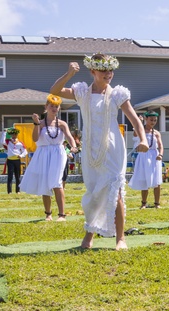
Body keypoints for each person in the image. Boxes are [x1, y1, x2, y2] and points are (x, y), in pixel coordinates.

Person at [50, 53, 144, 249]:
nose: (108, 74)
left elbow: (134, 119)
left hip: (113, 147)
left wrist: (143, 139)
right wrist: (68, 74)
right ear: (93, 71)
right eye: (103, 70)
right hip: (90, 149)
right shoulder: (82, 92)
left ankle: (120, 239)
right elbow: (55, 91)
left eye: (110, 70)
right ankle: (89, 235)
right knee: (94, 192)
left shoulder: (118, 94)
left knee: (114, 190)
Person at [21, 94, 79, 221]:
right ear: (46, 107)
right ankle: (48, 214)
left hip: (58, 153)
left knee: (57, 183)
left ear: (59, 108)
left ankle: (62, 215)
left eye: (56, 106)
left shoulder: (62, 124)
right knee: (45, 184)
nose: (54, 108)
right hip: (43, 154)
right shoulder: (40, 124)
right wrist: (36, 124)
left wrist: (73, 146)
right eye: (51, 106)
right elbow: (35, 139)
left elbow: (69, 136)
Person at [128, 111, 163, 208]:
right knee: (144, 180)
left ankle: (157, 203)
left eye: (155, 120)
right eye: (151, 120)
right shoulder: (141, 130)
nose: (153, 122)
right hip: (143, 155)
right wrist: (138, 122)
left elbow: (160, 145)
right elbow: (135, 134)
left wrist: (160, 154)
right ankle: (143, 203)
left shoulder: (156, 133)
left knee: (156, 180)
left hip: (154, 156)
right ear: (146, 119)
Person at [3, 127, 27, 194]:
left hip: (17, 160)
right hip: (10, 160)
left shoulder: (20, 143)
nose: (14, 136)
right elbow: (2, 141)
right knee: (10, 176)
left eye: (15, 134)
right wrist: (5, 133)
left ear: (17, 135)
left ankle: (18, 190)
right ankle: (9, 191)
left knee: (17, 176)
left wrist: (21, 155)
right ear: (11, 135)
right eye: (13, 134)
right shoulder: (8, 142)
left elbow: (25, 151)